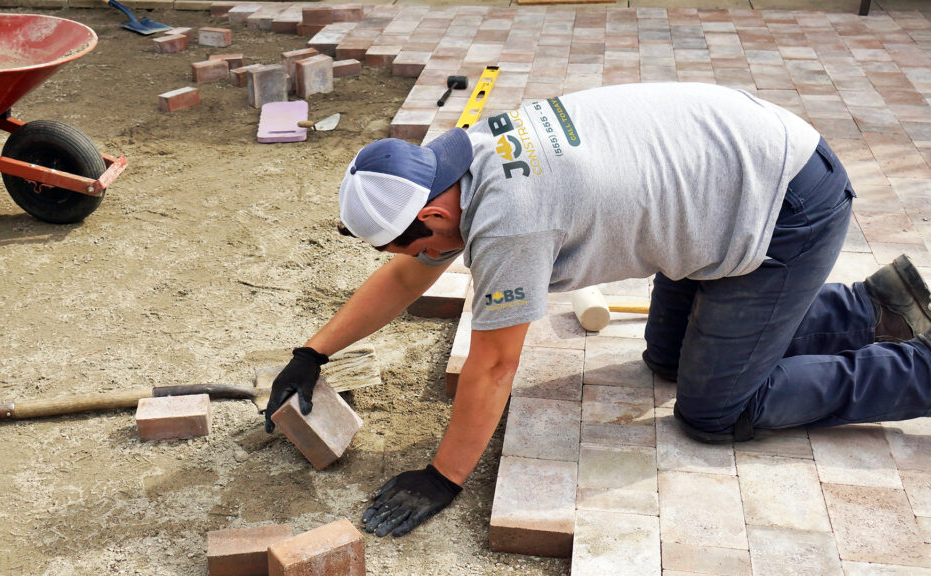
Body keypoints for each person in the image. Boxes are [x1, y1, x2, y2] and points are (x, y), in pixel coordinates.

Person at [262, 82, 931, 538]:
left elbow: (495, 365)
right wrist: (312, 352)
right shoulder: (459, 157)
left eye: (416, 240)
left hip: (784, 204)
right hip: (731, 178)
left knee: (717, 410)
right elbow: (409, 271)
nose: (422, 256)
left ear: (432, 211)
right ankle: (877, 307)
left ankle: (917, 369)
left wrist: (444, 477)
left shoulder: (511, 220)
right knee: (666, 359)